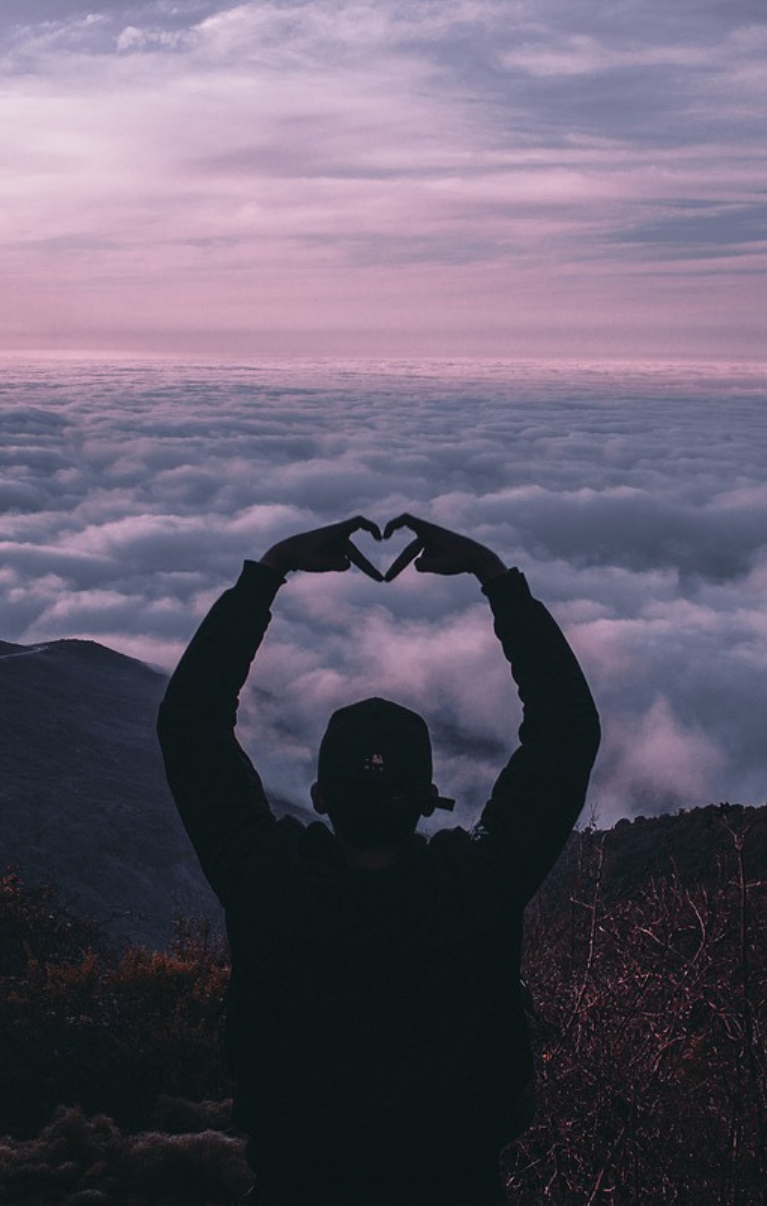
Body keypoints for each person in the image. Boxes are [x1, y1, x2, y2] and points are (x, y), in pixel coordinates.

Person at [157, 513, 600, 1205]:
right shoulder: (476, 889)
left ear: (320, 798)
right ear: (429, 799)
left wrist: (269, 570)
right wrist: (495, 577)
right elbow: (565, 732)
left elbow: (190, 723)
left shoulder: (266, 883)